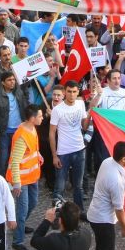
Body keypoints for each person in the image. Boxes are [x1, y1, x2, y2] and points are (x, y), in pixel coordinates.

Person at [8, 104, 45, 250]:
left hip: (32, 176)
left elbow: (32, 149)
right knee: (22, 210)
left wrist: (38, 154)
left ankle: (19, 225)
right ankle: (17, 240)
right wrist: (16, 183)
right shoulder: (22, 136)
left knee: (33, 202)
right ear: (32, 119)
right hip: (22, 180)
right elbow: (15, 162)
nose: (42, 118)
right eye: (40, 116)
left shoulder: (31, 128)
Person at [50, 81, 92, 209]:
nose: (72, 94)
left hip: (80, 149)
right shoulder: (57, 110)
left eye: (74, 92)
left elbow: (84, 126)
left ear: (78, 92)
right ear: (64, 92)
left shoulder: (80, 104)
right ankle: (57, 213)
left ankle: (79, 212)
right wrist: (54, 156)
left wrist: (90, 114)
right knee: (60, 187)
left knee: (78, 186)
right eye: (69, 91)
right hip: (63, 152)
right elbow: (51, 133)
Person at [0, 71, 30, 175]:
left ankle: (14, 180)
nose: (12, 82)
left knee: (18, 158)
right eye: (9, 80)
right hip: (4, 132)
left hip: (19, 131)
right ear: (3, 82)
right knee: (2, 159)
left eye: (13, 79)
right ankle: (0, 180)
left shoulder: (19, 92)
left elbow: (26, 103)